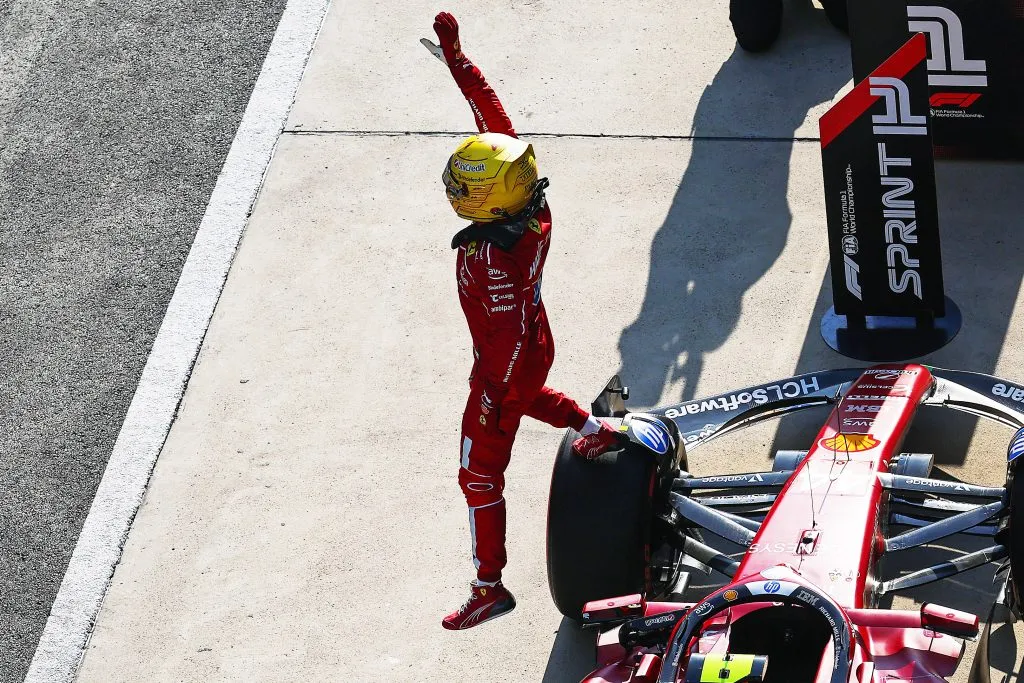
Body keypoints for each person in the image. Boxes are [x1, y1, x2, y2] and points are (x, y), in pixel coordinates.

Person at [431, 11, 623, 631]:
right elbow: (497, 125)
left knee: (478, 476)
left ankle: (490, 586)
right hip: (529, 344)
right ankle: (589, 427)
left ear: (487, 201)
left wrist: (502, 399)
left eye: (465, 185)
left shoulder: (490, 260)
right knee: (510, 417)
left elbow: (507, 352)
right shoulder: (530, 201)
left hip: (504, 365)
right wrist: (460, 63)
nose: (455, 189)